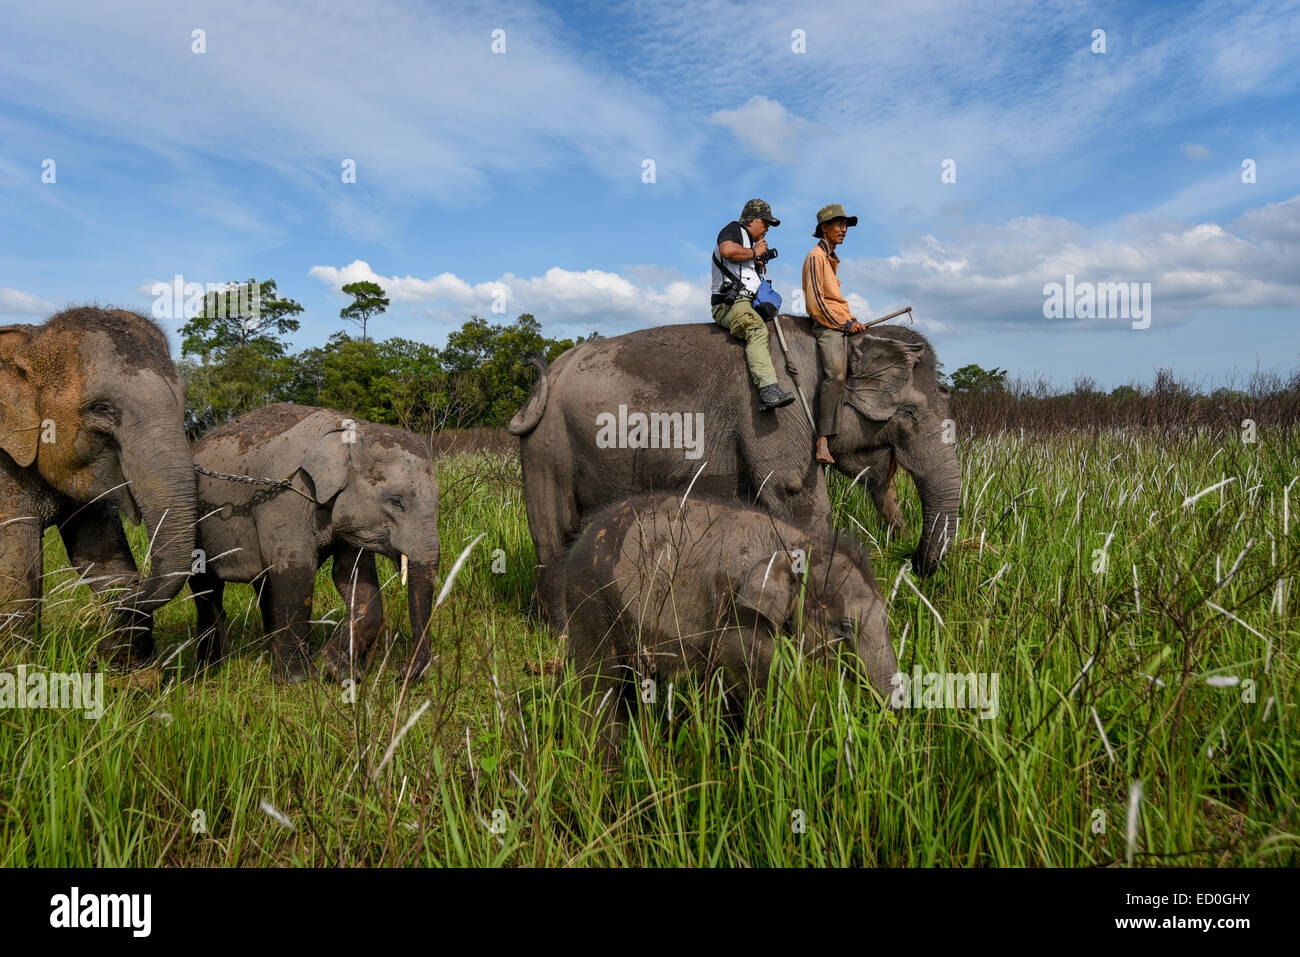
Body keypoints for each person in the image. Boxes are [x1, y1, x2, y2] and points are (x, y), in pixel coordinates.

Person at [712, 199, 795, 412]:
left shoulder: (748, 244)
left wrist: (754, 261)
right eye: (765, 223)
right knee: (756, 328)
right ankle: (767, 389)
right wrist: (754, 253)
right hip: (730, 305)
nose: (767, 228)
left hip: (747, 302)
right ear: (753, 220)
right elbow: (727, 250)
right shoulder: (733, 230)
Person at [802, 203, 867, 464]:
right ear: (824, 228)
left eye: (845, 225)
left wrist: (851, 318)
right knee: (836, 375)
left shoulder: (832, 259)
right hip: (827, 326)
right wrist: (844, 324)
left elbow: (836, 301)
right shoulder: (816, 258)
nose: (843, 230)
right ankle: (822, 440)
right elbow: (817, 303)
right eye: (839, 225)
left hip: (840, 321)